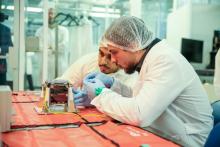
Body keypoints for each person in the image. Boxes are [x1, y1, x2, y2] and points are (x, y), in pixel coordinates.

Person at [79, 16, 213, 146]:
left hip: (187, 142)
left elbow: (139, 114)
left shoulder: (165, 60)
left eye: (114, 52)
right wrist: (112, 85)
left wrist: (100, 93)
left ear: (132, 45)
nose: (113, 60)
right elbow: (141, 100)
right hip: (166, 134)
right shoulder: (152, 57)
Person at [57, 41, 138, 106]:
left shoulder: (133, 75)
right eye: (101, 53)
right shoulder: (89, 61)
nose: (102, 62)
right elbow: (60, 84)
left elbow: (131, 108)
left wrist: (95, 100)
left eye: (110, 56)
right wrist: (67, 94)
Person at [35, 7, 69, 81]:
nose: (50, 16)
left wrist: (50, 47)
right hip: (45, 64)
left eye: (52, 13)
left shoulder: (64, 30)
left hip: (60, 63)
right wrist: (54, 49)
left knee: (60, 87)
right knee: (45, 87)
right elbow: (40, 48)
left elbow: (64, 46)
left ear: (56, 15)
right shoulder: (39, 31)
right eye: (48, 14)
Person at [0, 12, 13, 85]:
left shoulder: (6, 29)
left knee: (1, 89)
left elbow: (10, 46)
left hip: (1, 64)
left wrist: (0, 49)